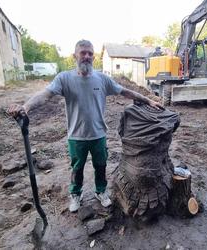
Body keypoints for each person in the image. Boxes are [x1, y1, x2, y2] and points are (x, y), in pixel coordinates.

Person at [8, 39, 162, 212]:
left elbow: (126, 92)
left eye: (90, 53)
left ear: (93, 57)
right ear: (75, 56)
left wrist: (148, 100)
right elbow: (45, 95)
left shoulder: (102, 79)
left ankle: (101, 192)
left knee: (101, 166)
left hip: (98, 135)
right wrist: (26, 107)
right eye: (83, 53)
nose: (87, 56)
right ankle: (76, 194)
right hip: (76, 137)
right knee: (77, 168)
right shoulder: (64, 78)